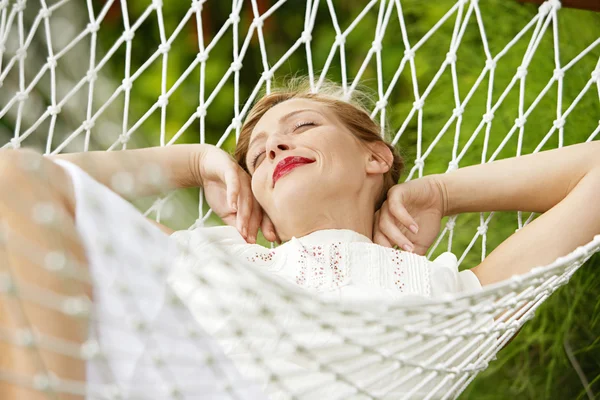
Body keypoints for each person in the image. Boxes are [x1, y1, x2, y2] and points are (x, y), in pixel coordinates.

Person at [1, 78, 599, 398]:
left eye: (302, 127)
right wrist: (188, 163)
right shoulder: (207, 255)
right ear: (254, 193)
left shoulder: (456, 297)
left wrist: (439, 193)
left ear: (375, 156)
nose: (276, 147)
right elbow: (26, 184)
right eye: (259, 154)